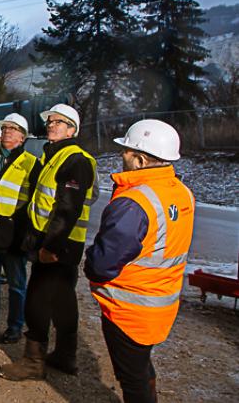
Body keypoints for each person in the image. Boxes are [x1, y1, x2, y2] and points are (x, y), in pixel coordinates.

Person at [85, 120, 194, 403]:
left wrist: (90, 260)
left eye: (126, 152)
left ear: (140, 160)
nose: (122, 157)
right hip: (160, 305)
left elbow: (102, 264)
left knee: (132, 381)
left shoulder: (134, 203)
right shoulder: (182, 193)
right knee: (142, 369)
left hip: (128, 311)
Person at [0, 103, 97, 381]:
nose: (51, 125)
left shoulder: (74, 159)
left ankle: (32, 362)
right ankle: (66, 355)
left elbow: (67, 209)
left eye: (59, 122)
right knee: (63, 300)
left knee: (37, 302)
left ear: (72, 130)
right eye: (50, 121)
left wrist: (50, 247)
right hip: (55, 243)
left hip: (58, 246)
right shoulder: (56, 155)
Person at [0, 113, 36, 345]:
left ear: (23, 137)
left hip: (15, 232)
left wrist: (30, 234)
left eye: (13, 129)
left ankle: (15, 327)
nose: (7, 132)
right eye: (5, 128)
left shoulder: (31, 163)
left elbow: (35, 200)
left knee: (17, 285)